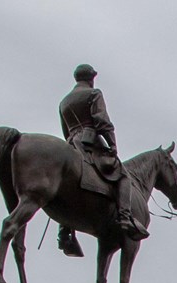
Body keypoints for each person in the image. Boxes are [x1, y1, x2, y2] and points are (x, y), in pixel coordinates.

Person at [56, 63, 148, 256]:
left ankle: (64, 231)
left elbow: (65, 131)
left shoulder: (64, 101)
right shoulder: (93, 94)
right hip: (90, 143)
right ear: (91, 78)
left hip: (71, 144)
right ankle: (125, 217)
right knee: (123, 175)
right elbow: (102, 120)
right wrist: (112, 144)